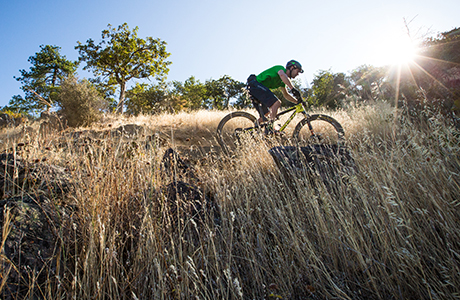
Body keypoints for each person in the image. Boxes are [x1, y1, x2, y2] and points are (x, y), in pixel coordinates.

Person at [247, 60, 303, 131]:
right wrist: (292, 89)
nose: (297, 74)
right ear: (292, 67)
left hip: (257, 90)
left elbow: (286, 95)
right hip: (255, 84)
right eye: (297, 71)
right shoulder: (280, 68)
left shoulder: (282, 82)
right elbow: (282, 75)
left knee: (266, 114)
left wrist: (297, 102)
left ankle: (252, 129)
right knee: (276, 103)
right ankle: (269, 128)